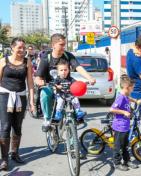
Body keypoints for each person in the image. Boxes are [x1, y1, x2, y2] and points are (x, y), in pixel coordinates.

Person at [35, 33, 95, 132]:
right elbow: (38, 75)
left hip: (66, 85)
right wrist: (39, 81)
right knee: (44, 94)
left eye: (64, 44)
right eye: (61, 45)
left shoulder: (68, 56)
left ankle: (76, 116)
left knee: (75, 97)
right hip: (51, 85)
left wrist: (90, 78)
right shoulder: (46, 57)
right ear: (53, 45)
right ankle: (47, 118)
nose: (64, 47)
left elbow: (78, 67)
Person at [0, 37, 34, 170]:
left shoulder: (27, 61)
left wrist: (31, 101)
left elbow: (30, 82)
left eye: (23, 47)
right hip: (4, 96)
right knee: (5, 126)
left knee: (17, 126)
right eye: (19, 47)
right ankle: (4, 159)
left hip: (20, 96)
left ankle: (15, 153)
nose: (22, 50)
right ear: (12, 47)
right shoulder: (3, 61)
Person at [110, 74, 140, 171]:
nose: (133, 90)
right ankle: (117, 163)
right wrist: (124, 112)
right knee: (118, 146)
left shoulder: (125, 95)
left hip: (125, 126)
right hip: (119, 127)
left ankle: (127, 161)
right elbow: (112, 109)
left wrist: (135, 100)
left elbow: (128, 99)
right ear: (127, 88)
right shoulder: (120, 97)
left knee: (125, 146)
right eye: (132, 88)